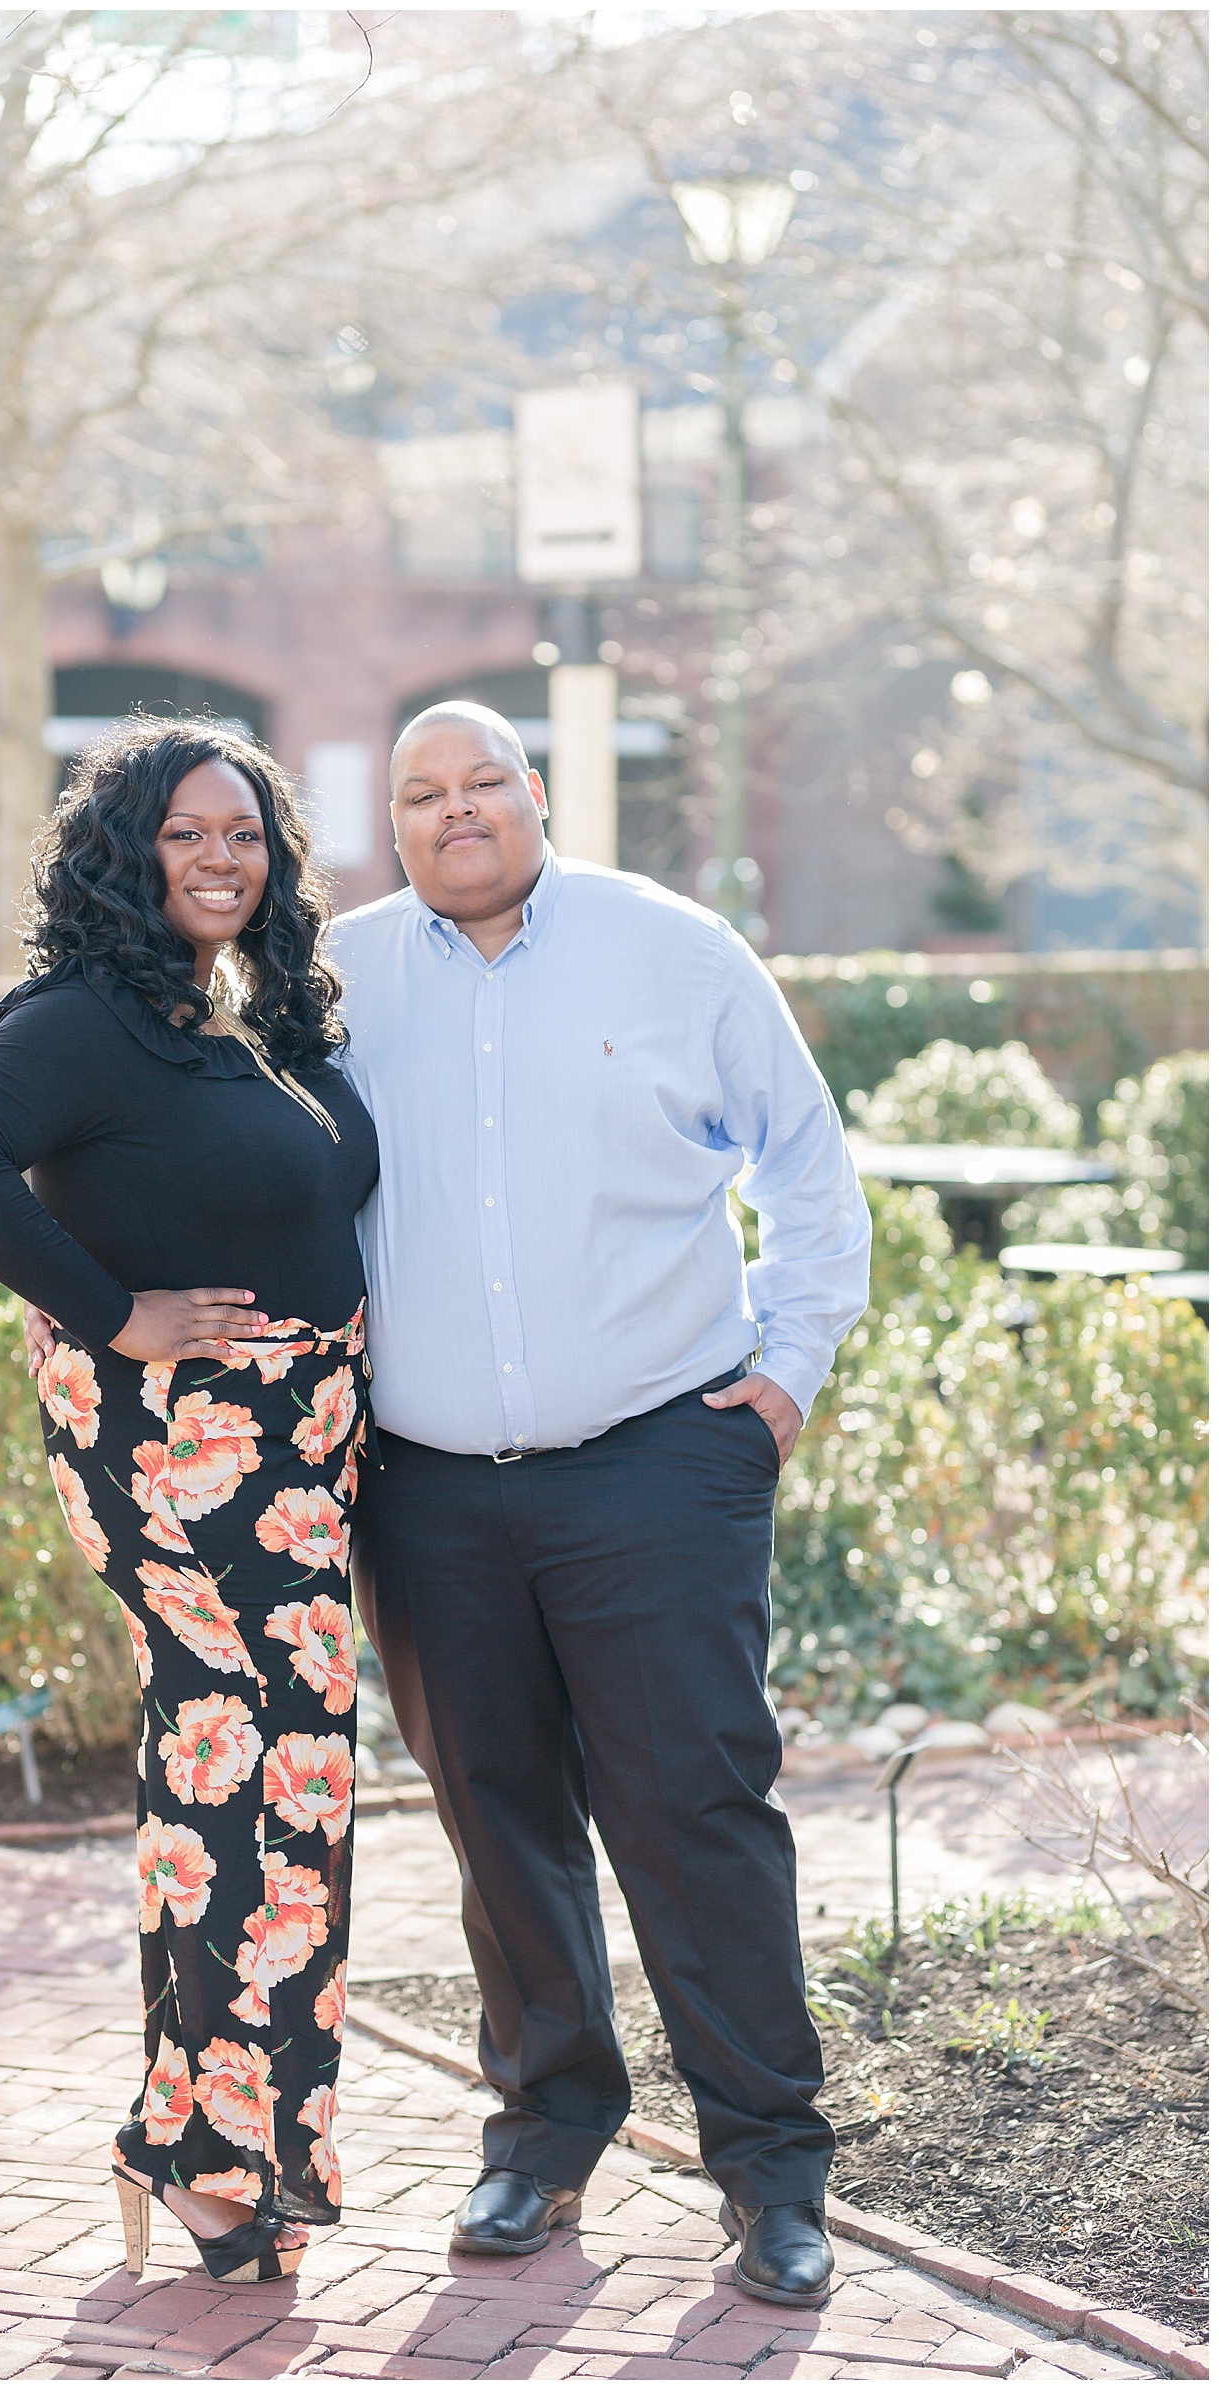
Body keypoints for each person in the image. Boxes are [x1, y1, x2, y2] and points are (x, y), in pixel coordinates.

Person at [327, 701, 872, 2309]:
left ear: (537, 792)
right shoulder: (339, 981)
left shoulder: (678, 951)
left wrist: (785, 1380)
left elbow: (810, 1173)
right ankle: (546, 2129)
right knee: (498, 1820)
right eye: (423, 793)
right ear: (396, 821)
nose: (456, 810)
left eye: (484, 780)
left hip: (658, 1461)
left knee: (694, 1811)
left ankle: (771, 2168)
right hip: (423, 1491)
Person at [0, 722, 378, 2288]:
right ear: (129, 848)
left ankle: (205, 2131)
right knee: (250, 1765)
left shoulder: (238, 1014)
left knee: (269, 1775)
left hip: (294, 1466)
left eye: (247, 832)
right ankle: (205, 2152)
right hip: (187, 1453)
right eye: (187, 833)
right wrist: (113, 1312)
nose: (223, 858)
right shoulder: (86, 1018)